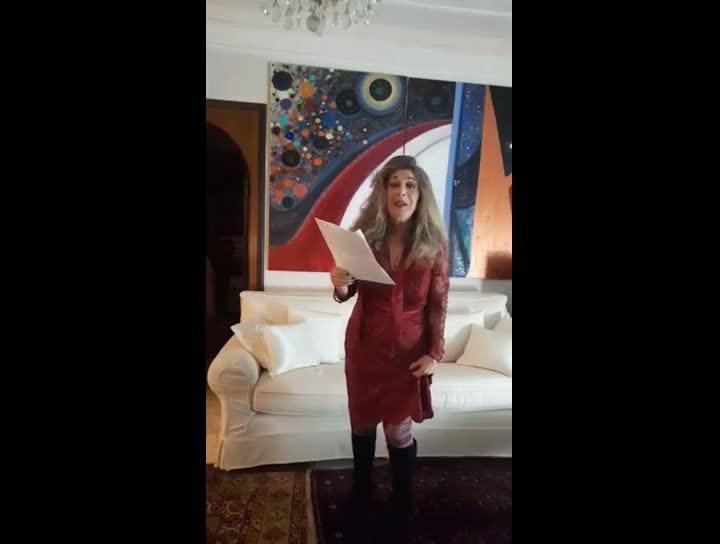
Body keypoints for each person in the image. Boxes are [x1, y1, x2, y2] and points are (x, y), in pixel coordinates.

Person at [330, 155, 449, 523]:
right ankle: (361, 492)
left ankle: (402, 499)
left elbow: (438, 304)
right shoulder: (364, 238)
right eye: (394, 184)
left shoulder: (434, 244)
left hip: (408, 353)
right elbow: (347, 292)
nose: (402, 192)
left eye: (410, 185)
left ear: (420, 194)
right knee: (362, 425)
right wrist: (340, 284)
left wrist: (434, 353)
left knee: (398, 432)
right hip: (364, 346)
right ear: (382, 193)